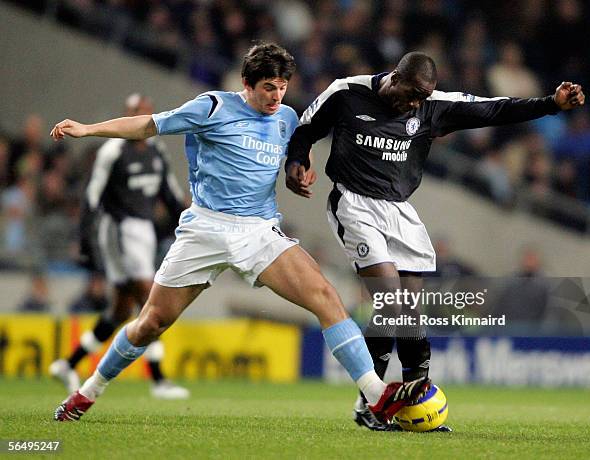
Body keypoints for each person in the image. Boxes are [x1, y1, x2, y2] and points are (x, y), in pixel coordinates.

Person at [49, 43, 430, 423]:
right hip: (206, 228)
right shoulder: (212, 107)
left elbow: (297, 147)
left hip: (259, 230)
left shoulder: (286, 117)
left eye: (282, 86)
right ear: (247, 84)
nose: (276, 96)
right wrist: (88, 130)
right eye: (268, 86)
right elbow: (148, 125)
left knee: (325, 296)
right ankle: (87, 392)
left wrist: (299, 169)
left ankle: (376, 395)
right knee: (151, 322)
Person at [285, 51, 585, 431]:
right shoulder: (346, 92)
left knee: (409, 314)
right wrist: (297, 161)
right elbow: (306, 129)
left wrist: (551, 105)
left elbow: (494, 109)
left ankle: (414, 400)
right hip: (354, 204)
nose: (414, 104)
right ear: (395, 77)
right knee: (392, 303)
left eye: (421, 97)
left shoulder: (432, 106)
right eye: (411, 94)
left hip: (400, 211)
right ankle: (371, 406)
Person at [49, 94, 190, 400]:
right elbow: (92, 195)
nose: (140, 115)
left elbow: (170, 194)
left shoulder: (157, 151)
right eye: (135, 111)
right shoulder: (112, 150)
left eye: (144, 111)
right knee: (149, 298)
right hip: (118, 229)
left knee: (121, 309)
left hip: (144, 231)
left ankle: (67, 364)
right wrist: (85, 239)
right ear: (126, 114)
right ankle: (158, 379)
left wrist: (187, 221)